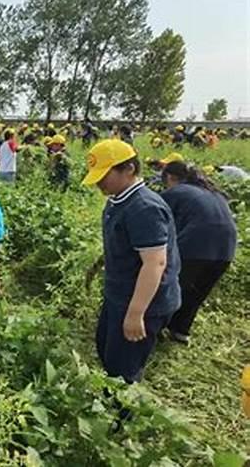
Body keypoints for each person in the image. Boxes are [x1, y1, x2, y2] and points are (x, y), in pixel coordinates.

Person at [83, 139, 181, 383]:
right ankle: (112, 405)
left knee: (123, 370)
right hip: (120, 295)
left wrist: (136, 314)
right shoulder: (118, 200)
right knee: (107, 351)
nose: (98, 183)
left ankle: (123, 418)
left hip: (143, 302)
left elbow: (155, 264)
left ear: (128, 169)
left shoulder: (143, 207)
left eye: (104, 175)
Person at [160, 162, 237, 344]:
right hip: (226, 251)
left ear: (170, 178)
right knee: (197, 292)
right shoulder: (213, 193)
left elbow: (154, 215)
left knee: (168, 286)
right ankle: (180, 330)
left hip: (195, 246)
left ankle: (155, 327)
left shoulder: (177, 192)